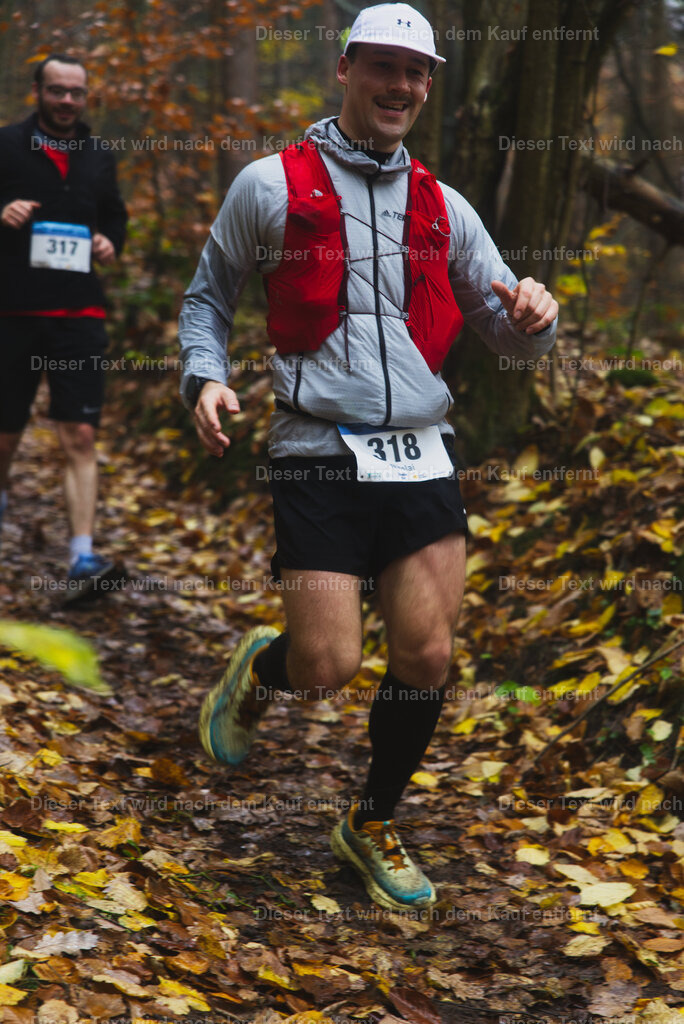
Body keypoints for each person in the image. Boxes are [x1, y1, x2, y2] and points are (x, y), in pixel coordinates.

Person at [179, 3, 558, 911]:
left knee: (427, 654)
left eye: (416, 72)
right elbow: (207, 300)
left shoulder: (445, 204)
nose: (400, 86)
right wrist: (204, 379)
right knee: (327, 669)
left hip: (421, 450)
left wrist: (535, 322)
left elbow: (505, 336)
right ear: (344, 68)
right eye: (383, 66)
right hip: (314, 448)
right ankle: (265, 666)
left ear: (427, 86)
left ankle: (371, 820)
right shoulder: (268, 186)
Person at [0, 54, 127, 595]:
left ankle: (81, 558)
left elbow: (115, 216)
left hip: (79, 314)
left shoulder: (98, 156)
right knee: (4, 438)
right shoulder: (5, 145)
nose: (67, 101)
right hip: (12, 311)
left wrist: (109, 243)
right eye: (57, 91)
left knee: (79, 432)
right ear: (38, 92)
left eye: (76, 92)